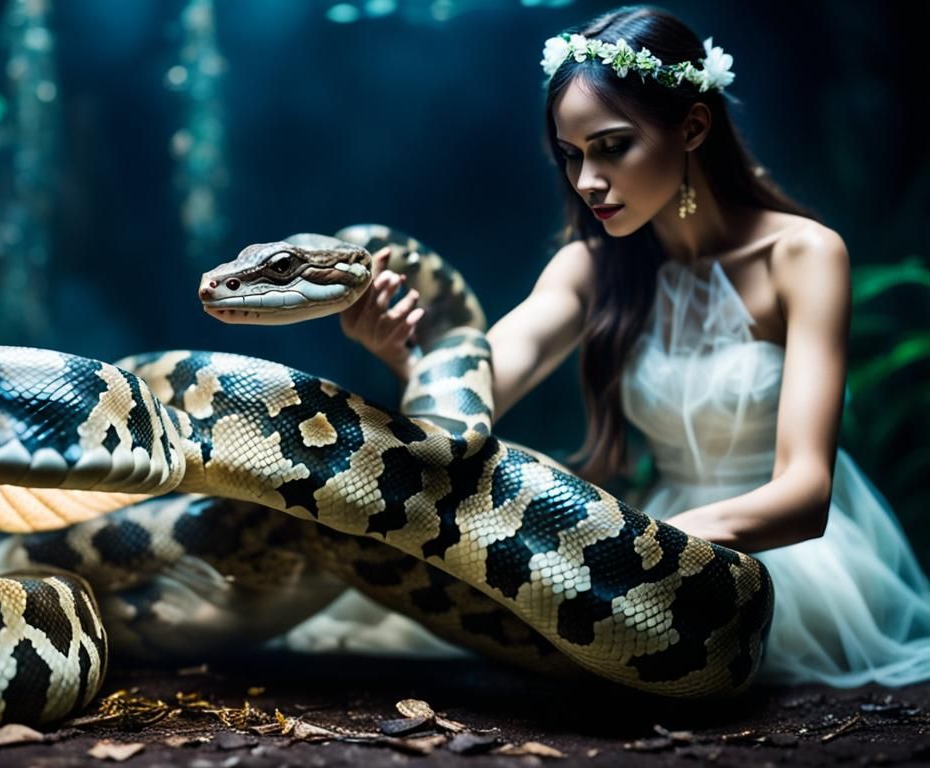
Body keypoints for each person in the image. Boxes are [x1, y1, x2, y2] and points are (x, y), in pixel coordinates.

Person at [340, 4, 930, 687]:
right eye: (571, 155)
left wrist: (627, 544)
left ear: (693, 127)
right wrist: (398, 354)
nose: (586, 181)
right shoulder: (587, 268)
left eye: (611, 146)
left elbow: (805, 494)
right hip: (642, 537)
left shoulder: (803, 255)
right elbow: (477, 395)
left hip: (777, 554)